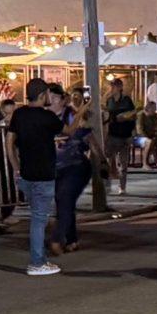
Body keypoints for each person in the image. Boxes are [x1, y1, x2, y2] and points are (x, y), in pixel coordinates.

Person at [6, 78, 61, 277]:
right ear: (41, 95)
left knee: (37, 217)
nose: (50, 97)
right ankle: (37, 262)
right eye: (48, 93)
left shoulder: (19, 114)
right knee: (39, 219)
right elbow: (69, 130)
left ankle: (40, 259)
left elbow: (9, 141)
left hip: (26, 174)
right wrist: (82, 110)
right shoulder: (47, 117)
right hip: (44, 174)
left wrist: (15, 167)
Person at [53, 95, 94, 252]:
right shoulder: (48, 118)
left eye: (54, 97)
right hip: (56, 167)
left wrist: (103, 163)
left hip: (76, 166)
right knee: (63, 202)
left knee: (65, 199)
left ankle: (59, 238)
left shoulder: (74, 119)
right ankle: (71, 239)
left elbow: (92, 142)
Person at [103, 77, 138, 192]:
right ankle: (106, 186)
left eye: (114, 86)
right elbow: (107, 116)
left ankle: (122, 187)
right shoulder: (109, 100)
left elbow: (133, 116)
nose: (112, 88)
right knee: (107, 161)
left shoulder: (127, 100)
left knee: (123, 164)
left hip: (125, 135)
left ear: (120, 88)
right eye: (111, 86)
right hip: (113, 135)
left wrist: (132, 133)